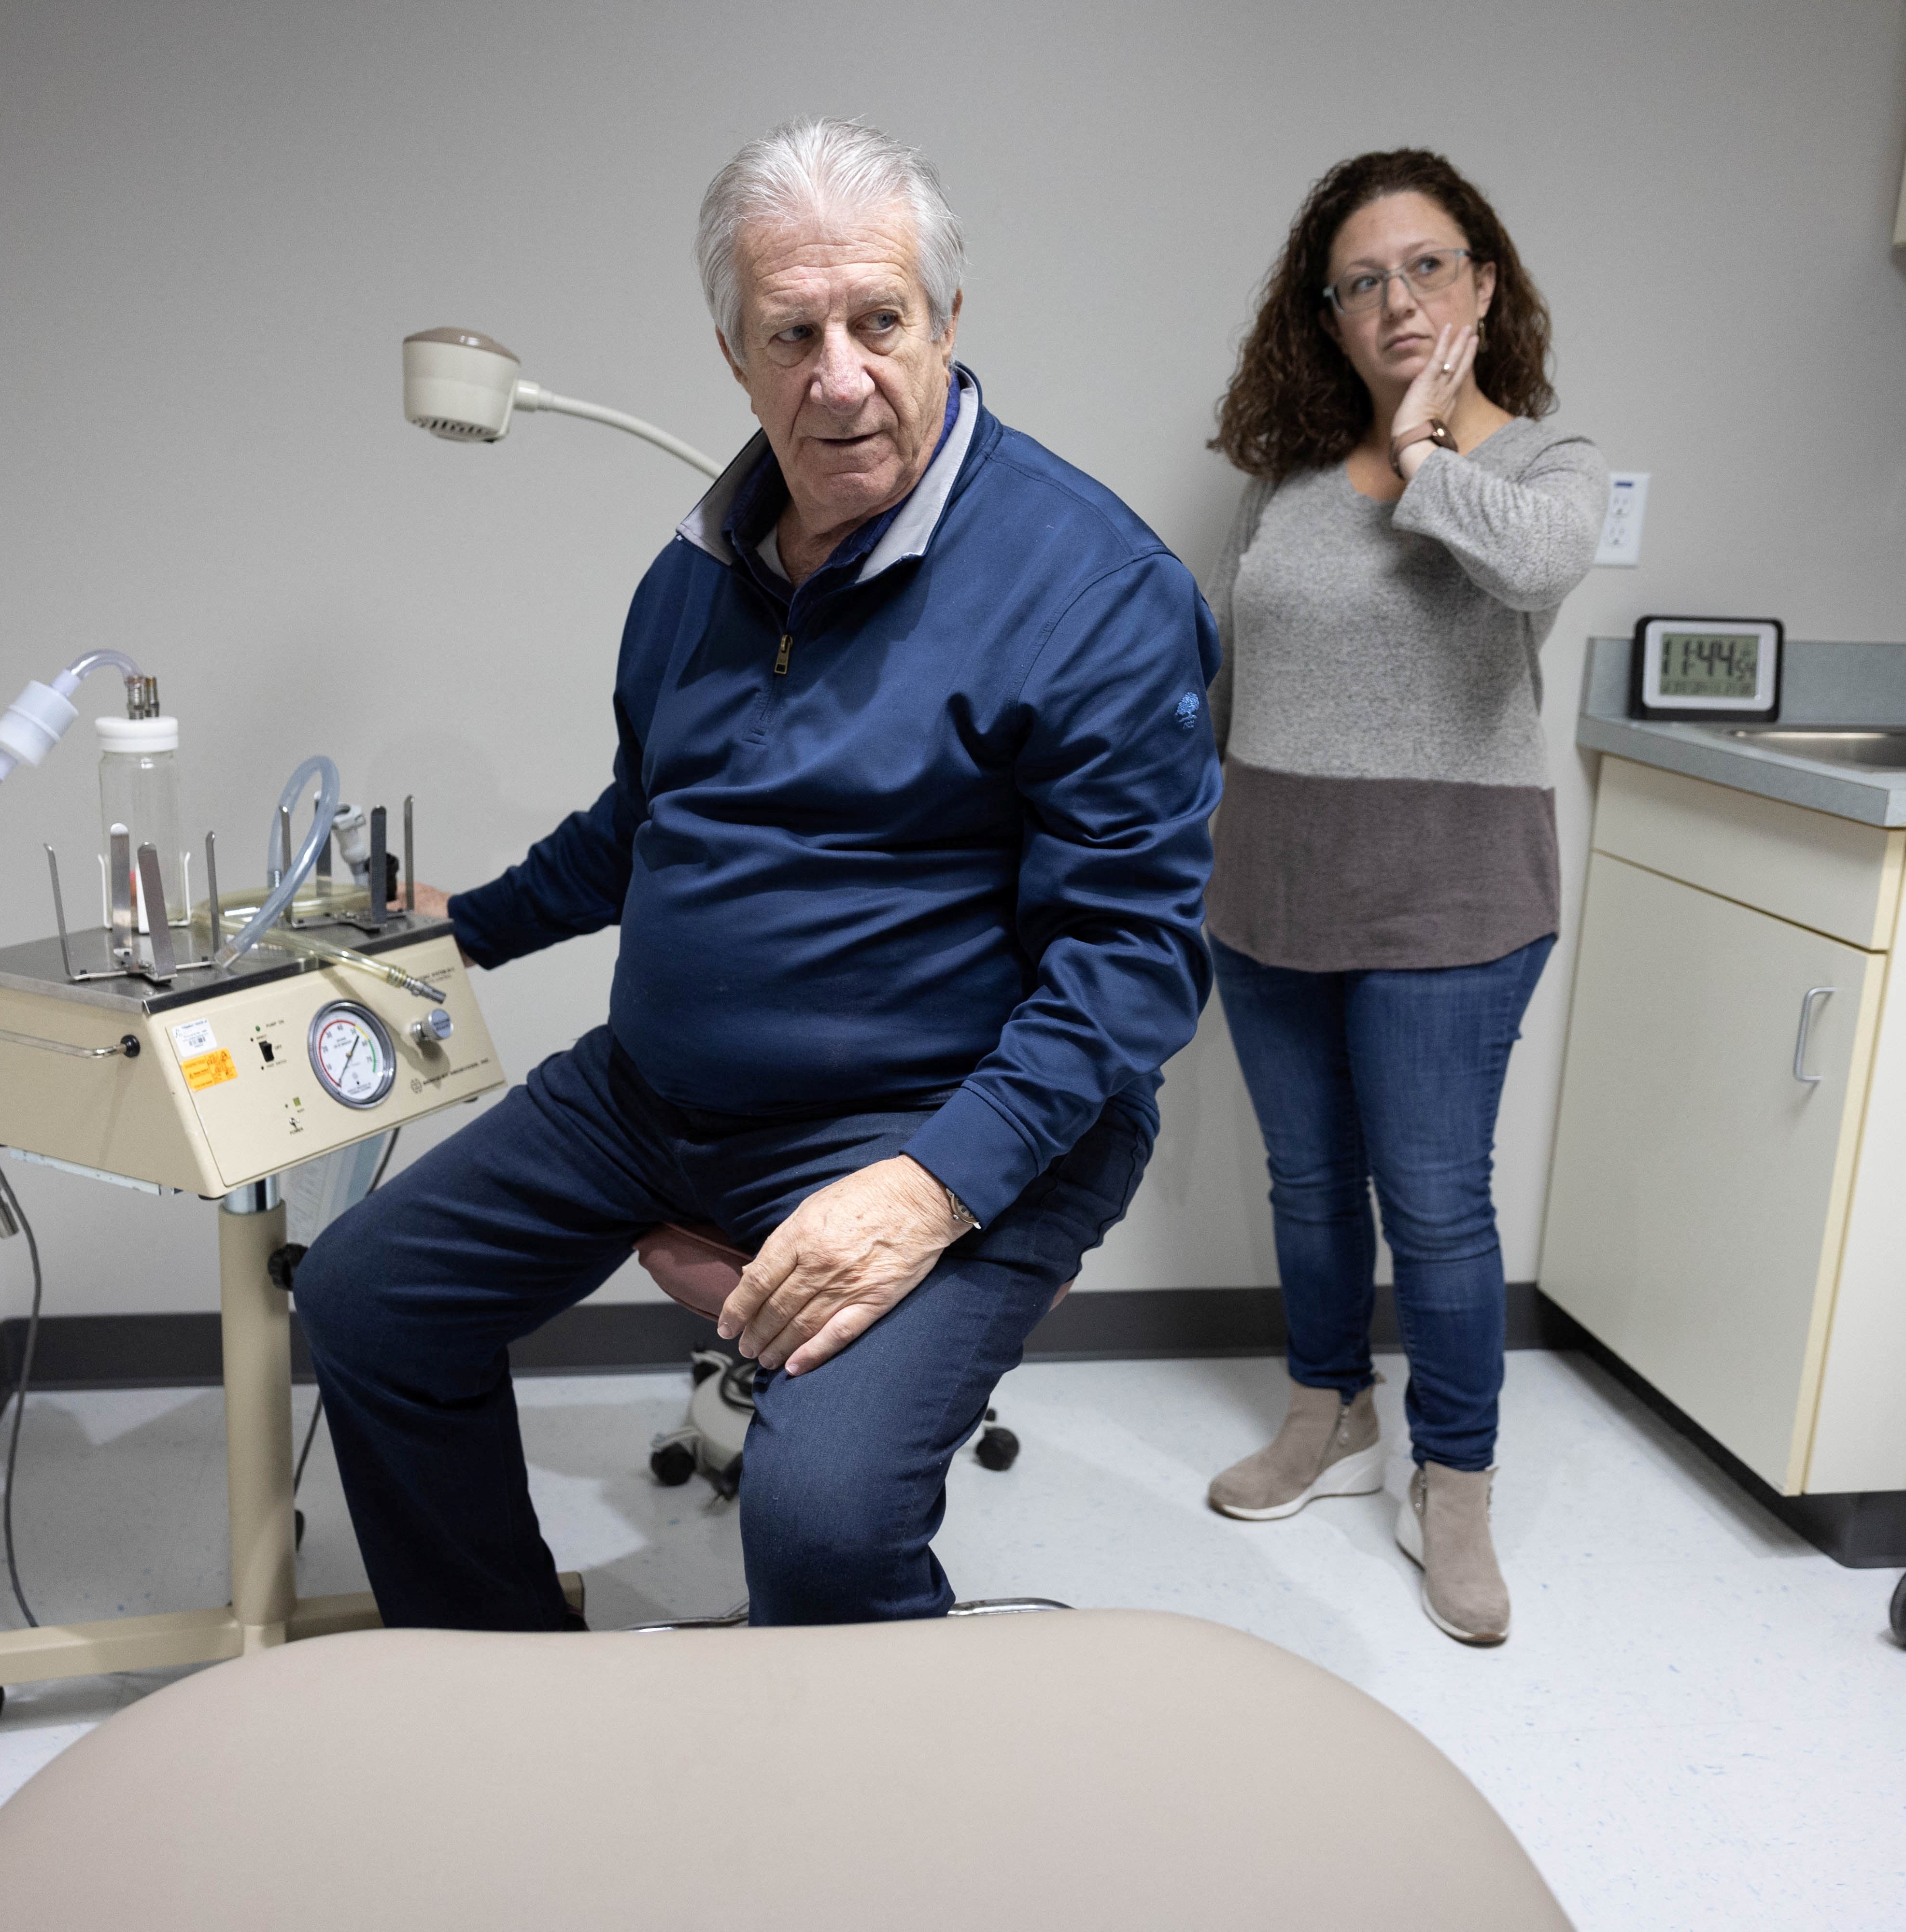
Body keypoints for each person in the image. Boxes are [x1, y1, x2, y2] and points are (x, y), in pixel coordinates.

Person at [291, 118, 1221, 1630]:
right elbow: (645, 823)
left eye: (879, 322)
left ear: (948, 326)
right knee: (364, 1302)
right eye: (793, 332)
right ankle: (506, 1678)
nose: (838, 376)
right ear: (736, 354)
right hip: (652, 1101)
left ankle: (849, 1817)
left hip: (940, 1119)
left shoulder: (1093, 591)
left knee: (823, 1519)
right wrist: (468, 929)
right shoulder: (698, 573)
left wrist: (925, 1193)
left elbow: (1131, 966)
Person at [1196, 150, 1606, 1647]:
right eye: (1361, 280)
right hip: (1271, 885)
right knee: (1310, 1189)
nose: (1396, 301)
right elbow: (1248, 677)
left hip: (1451, 899)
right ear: (1327, 311)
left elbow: (1530, 575)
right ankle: (1330, 1411)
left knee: (1435, 1210)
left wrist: (1433, 448)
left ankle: (1459, 1485)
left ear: (1486, 284)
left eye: (1427, 267)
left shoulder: (1545, 471)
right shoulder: (1290, 483)